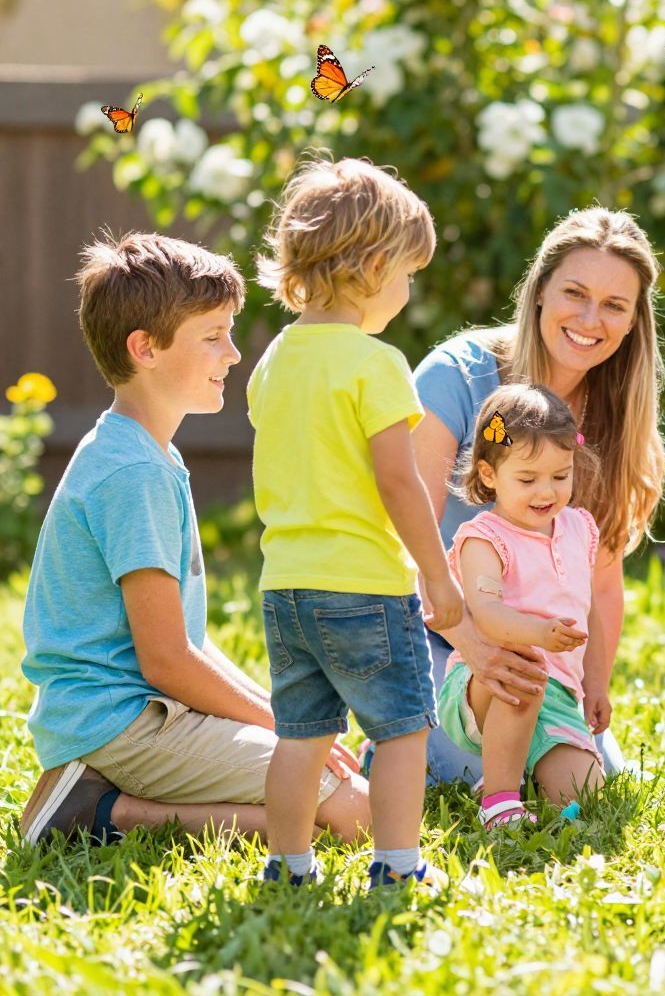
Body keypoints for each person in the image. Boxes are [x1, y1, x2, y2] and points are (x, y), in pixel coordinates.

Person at [17, 231, 368, 847]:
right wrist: (290, 729)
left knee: (331, 788)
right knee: (357, 812)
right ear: (144, 348)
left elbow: (188, 644)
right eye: (213, 337)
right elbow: (167, 662)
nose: (233, 354)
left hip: (139, 712)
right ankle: (100, 814)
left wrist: (293, 722)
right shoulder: (134, 472)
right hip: (121, 723)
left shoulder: (143, 451)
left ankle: (97, 804)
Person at [248, 156, 463, 888]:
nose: (407, 292)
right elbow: (399, 482)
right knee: (402, 731)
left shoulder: (273, 360)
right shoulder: (376, 364)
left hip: (286, 587)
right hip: (366, 586)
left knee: (300, 737)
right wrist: (437, 573)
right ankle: (399, 866)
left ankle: (288, 864)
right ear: (372, 266)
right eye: (406, 274)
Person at [410, 207, 665, 785]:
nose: (590, 319)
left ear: (632, 322)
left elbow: (601, 581)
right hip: (435, 631)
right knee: (479, 768)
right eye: (575, 293)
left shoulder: (617, 411)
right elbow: (404, 545)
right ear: (540, 292)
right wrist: (477, 648)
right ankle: (400, 736)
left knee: (588, 780)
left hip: (546, 658)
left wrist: (591, 684)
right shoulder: (457, 376)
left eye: (614, 305)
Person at [438, 385, 609, 828]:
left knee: (584, 792)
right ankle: (498, 801)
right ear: (490, 474)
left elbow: (590, 612)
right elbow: (488, 615)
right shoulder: (485, 538)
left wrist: (597, 684)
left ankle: (516, 779)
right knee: (527, 668)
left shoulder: (578, 529)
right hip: (491, 678)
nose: (546, 491)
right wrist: (538, 633)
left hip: (558, 693)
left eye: (560, 475)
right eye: (528, 479)